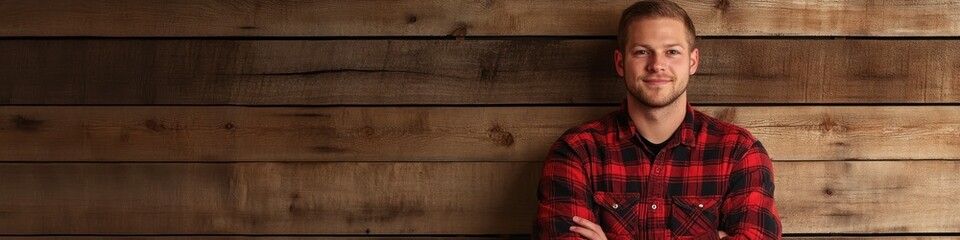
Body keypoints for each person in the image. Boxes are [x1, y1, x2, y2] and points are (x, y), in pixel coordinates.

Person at [534, 0, 781, 239]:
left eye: (672, 51)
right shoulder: (577, 152)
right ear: (620, 63)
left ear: (692, 61)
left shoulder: (738, 152)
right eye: (642, 52)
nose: (657, 65)